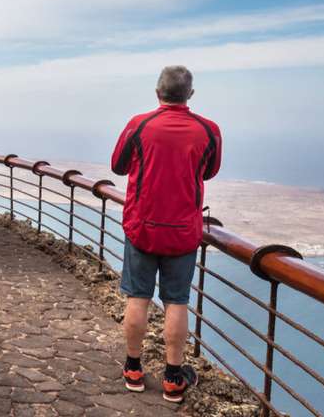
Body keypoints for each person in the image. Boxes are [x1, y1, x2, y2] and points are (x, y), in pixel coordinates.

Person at [110, 65, 222, 403]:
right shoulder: (209, 130)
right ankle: (173, 378)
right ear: (190, 94)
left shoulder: (139, 124)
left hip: (142, 227)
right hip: (183, 231)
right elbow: (211, 171)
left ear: (157, 92)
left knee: (138, 297)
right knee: (177, 301)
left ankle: (133, 369)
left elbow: (118, 165)